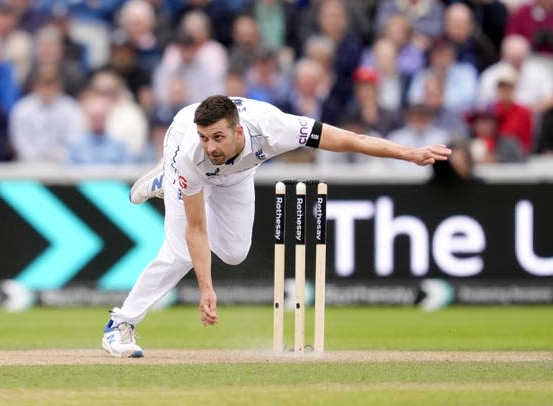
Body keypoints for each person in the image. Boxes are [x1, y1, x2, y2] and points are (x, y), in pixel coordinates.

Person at [101, 95, 452, 358]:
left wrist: (409, 153)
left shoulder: (276, 128)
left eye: (219, 138)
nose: (211, 146)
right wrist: (206, 288)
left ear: (238, 130)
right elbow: (196, 229)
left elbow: (351, 140)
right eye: (205, 137)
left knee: (235, 253)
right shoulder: (191, 153)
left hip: (239, 173)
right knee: (180, 251)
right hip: (188, 171)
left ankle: (169, 184)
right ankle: (120, 325)